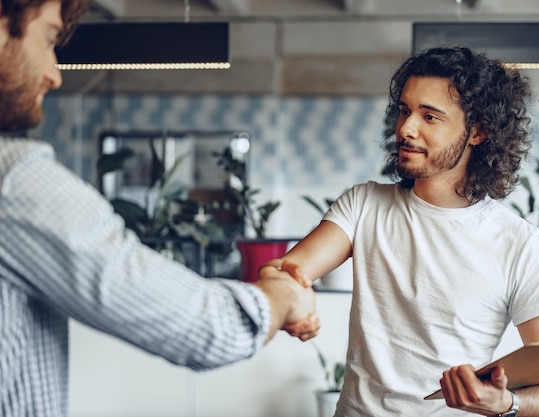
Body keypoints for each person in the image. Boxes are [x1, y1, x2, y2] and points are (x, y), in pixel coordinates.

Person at [0, 1, 319, 416]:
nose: (54, 74)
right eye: (47, 39)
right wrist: (283, 296)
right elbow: (206, 329)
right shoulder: (13, 181)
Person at [260, 47, 539, 416]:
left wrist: (506, 403)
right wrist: (289, 299)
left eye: (429, 116)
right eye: (404, 110)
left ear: (477, 132)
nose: (405, 128)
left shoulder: (522, 246)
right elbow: (284, 270)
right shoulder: (363, 205)